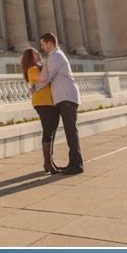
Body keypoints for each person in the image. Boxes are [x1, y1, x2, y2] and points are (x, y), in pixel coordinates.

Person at [33, 32, 83, 175]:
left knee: (71, 132)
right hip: (64, 98)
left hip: (67, 98)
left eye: (42, 44)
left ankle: (77, 165)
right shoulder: (52, 57)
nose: (41, 48)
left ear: (50, 43)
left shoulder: (55, 57)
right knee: (69, 132)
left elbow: (46, 77)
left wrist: (33, 88)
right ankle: (73, 163)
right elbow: (43, 67)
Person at [21, 46, 62, 175]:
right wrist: (48, 64)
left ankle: (49, 161)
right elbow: (42, 79)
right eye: (35, 52)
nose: (39, 53)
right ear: (31, 57)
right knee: (48, 131)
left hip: (50, 102)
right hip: (42, 103)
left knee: (52, 131)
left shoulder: (39, 67)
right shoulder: (32, 69)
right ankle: (48, 162)